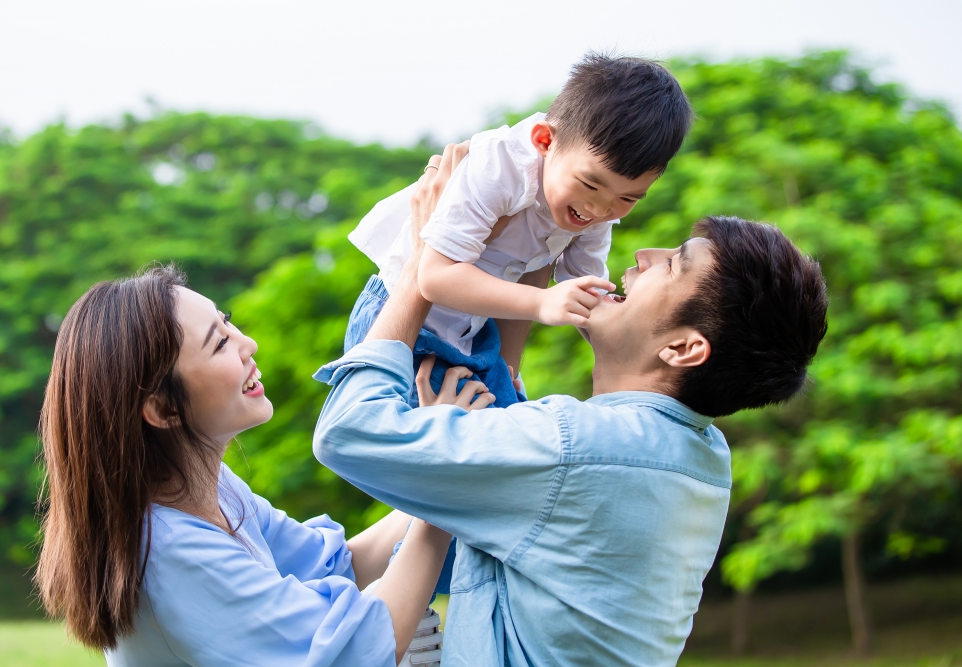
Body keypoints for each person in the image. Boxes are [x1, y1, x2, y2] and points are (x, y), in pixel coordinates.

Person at [313, 144, 829, 665]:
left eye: (672, 265)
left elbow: (348, 432)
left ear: (683, 348)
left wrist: (424, 260)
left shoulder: (578, 447)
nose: (641, 257)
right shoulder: (699, 458)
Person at [34, 261, 480, 666]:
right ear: (164, 409)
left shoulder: (210, 491)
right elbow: (356, 650)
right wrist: (439, 475)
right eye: (218, 343)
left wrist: (441, 458)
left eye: (227, 323)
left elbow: (337, 563)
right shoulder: (170, 555)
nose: (248, 343)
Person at [346, 53, 693, 408]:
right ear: (545, 141)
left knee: (505, 418)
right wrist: (542, 302)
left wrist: (645, 336)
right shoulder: (499, 167)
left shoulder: (592, 205)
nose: (600, 210)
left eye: (627, 198)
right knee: (415, 435)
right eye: (590, 185)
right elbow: (434, 276)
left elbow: (587, 287)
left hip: (474, 333)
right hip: (403, 321)